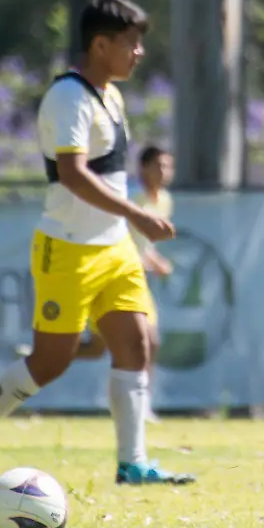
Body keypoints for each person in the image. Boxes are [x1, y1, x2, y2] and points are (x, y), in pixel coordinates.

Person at [0, 0, 195, 487]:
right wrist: (138, 216)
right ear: (100, 45)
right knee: (50, 362)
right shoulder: (67, 98)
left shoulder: (112, 96)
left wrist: (128, 226)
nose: (139, 53)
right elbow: (73, 176)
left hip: (114, 249)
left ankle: (132, 463)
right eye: (131, 43)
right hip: (67, 250)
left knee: (137, 343)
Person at [72, 145, 174, 425]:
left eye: (168, 166)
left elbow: (142, 243)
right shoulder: (131, 198)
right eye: (158, 166)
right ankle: (44, 356)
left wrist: (155, 262)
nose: (164, 172)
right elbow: (119, 236)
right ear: (143, 168)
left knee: (149, 342)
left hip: (134, 278)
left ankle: (140, 405)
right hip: (114, 273)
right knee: (95, 349)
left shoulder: (164, 200)